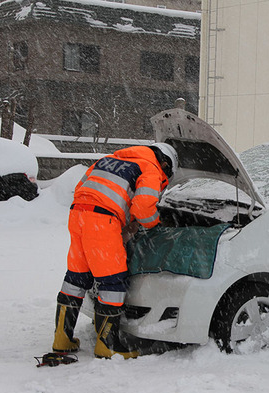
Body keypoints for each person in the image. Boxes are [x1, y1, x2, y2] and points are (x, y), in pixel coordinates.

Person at [52, 143, 178, 359]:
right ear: (164, 163)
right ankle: (107, 345)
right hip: (102, 221)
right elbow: (143, 207)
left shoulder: (107, 160)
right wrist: (156, 225)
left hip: (78, 215)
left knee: (76, 277)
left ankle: (62, 339)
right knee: (113, 281)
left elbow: (83, 188)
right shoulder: (150, 168)